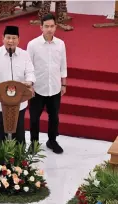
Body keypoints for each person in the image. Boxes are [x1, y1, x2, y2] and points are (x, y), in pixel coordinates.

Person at [0, 25, 36, 145]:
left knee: (19, 133)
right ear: (2, 38)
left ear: (19, 40)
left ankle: (20, 161)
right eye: (8, 38)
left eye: (14, 38)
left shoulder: (24, 55)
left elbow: (30, 72)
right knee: (1, 132)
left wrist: (29, 82)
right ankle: (1, 161)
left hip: (19, 101)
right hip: (0, 100)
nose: (10, 41)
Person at [27, 13, 67, 154]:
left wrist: (63, 84)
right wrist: (30, 85)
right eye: (46, 26)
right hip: (37, 88)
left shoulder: (60, 44)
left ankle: (52, 140)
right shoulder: (32, 45)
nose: (49, 29)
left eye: (52, 26)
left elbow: (63, 65)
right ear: (41, 27)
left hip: (55, 87)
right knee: (34, 118)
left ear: (56, 27)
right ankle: (34, 143)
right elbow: (28, 66)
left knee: (54, 116)